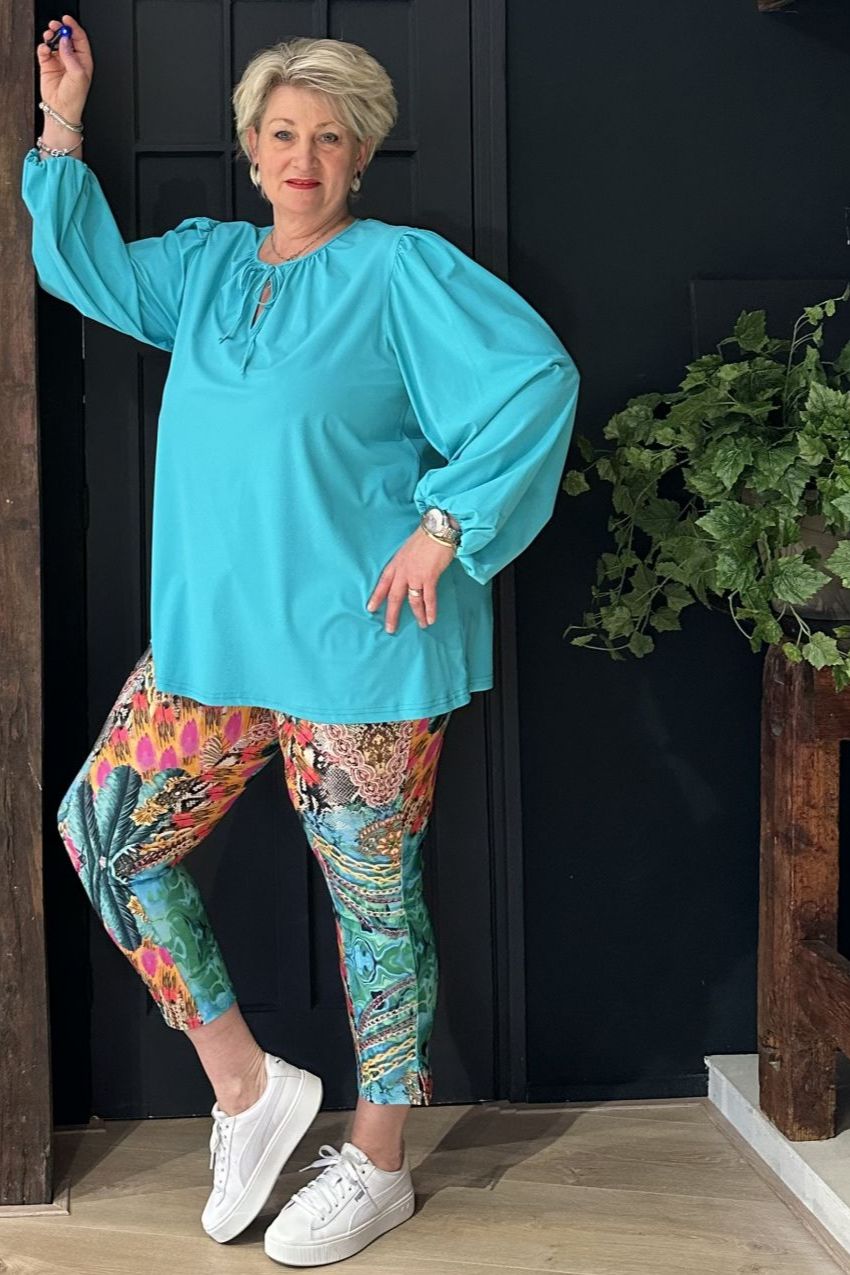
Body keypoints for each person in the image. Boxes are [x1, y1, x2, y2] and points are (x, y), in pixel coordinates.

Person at [24, 14, 580, 1269]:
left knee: (373, 907)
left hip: (361, 647)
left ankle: (377, 1165)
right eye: (283, 134)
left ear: (362, 156)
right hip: (214, 643)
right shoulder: (209, 267)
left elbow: (533, 380)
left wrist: (447, 526)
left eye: (331, 138)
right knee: (105, 834)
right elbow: (88, 270)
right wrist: (61, 123)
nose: (304, 158)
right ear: (251, 148)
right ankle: (247, 1088)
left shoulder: (401, 269)